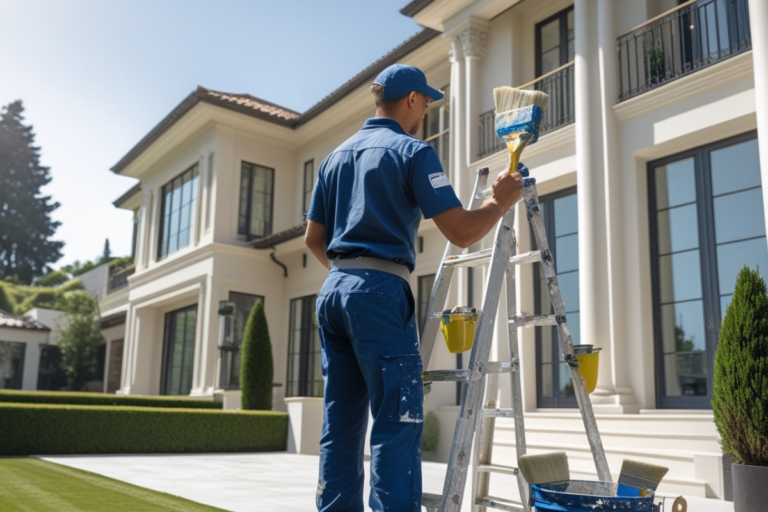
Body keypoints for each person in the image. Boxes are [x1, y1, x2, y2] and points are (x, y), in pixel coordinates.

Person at [304, 63, 523, 512]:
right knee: (396, 420)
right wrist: (499, 201)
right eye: (424, 100)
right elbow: (461, 232)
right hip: (381, 292)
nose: (425, 108)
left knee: (340, 422)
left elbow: (313, 239)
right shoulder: (412, 152)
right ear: (409, 100)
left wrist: (350, 274)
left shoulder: (334, 157)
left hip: (333, 291)